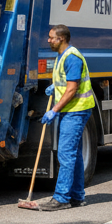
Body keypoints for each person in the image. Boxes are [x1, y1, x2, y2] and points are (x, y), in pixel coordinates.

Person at [20, 24, 95, 212]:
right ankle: (76, 196)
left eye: (51, 37)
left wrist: (54, 110)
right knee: (74, 154)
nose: (48, 40)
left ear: (61, 39)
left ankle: (61, 198)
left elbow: (72, 89)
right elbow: (66, 82)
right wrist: (55, 87)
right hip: (71, 110)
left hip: (76, 110)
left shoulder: (72, 57)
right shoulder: (62, 56)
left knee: (65, 154)